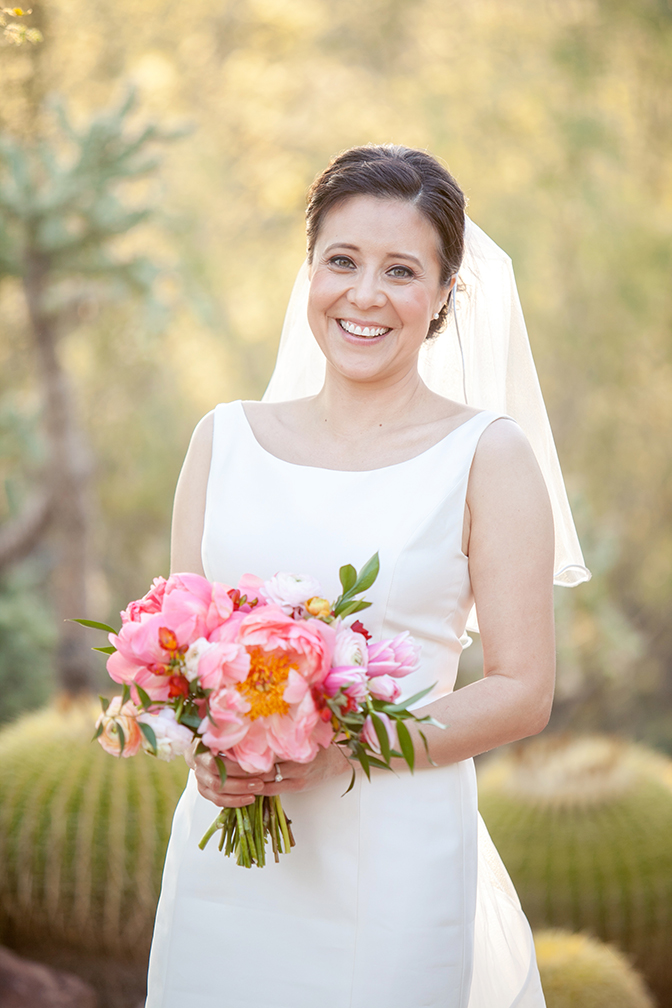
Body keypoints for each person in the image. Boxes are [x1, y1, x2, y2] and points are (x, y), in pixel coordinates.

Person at [145, 144, 589, 1008]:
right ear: (308, 270)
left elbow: (522, 690)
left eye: (401, 271)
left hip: (394, 858)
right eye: (341, 261)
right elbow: (181, 657)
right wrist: (207, 753)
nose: (365, 295)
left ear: (443, 298)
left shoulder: (487, 456)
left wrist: (343, 746)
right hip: (227, 858)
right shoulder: (221, 441)